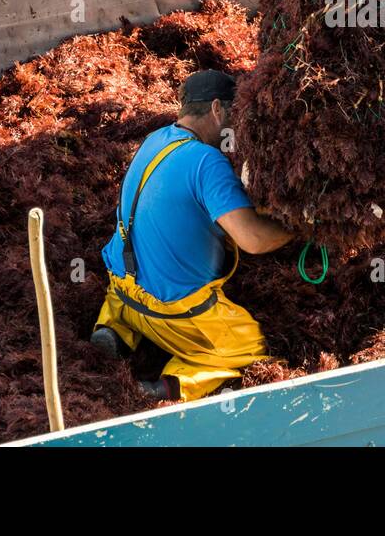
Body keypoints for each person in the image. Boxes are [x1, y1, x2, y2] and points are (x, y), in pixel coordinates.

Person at [91, 69, 291, 401]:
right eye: (236, 116)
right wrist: (298, 228)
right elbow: (253, 239)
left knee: (132, 277)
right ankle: (168, 386)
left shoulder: (155, 138)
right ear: (217, 109)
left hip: (122, 290)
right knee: (249, 345)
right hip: (175, 314)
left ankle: (114, 329)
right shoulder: (207, 161)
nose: (238, 129)